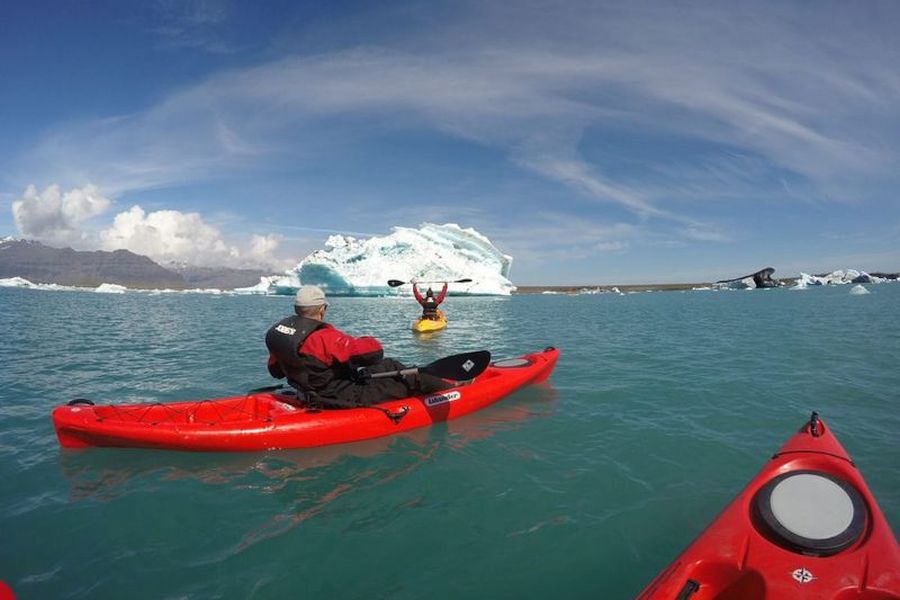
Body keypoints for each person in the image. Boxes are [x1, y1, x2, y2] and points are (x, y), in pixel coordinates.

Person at [266, 285, 453, 407]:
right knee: (408, 374)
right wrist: (364, 338)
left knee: (387, 366)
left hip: (309, 392)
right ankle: (455, 392)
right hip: (341, 397)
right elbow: (374, 352)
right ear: (322, 309)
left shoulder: (282, 335)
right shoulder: (324, 338)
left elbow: (275, 371)